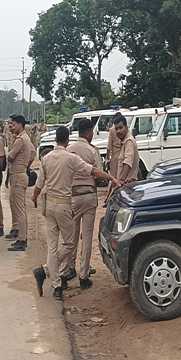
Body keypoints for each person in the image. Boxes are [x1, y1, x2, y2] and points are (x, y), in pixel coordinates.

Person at [31, 126, 115, 300]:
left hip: (49, 205)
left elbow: (39, 184)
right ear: (67, 140)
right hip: (64, 204)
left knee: (53, 245)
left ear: (55, 140)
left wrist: (34, 197)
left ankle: (56, 286)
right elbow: (93, 171)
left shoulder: (46, 158)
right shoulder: (70, 158)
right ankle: (47, 270)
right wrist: (111, 178)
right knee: (70, 243)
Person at [67, 119, 99, 289]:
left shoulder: (69, 149)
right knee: (87, 237)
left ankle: (69, 267)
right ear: (88, 133)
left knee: (71, 234)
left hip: (72, 196)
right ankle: (84, 275)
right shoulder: (92, 151)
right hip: (89, 195)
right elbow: (98, 175)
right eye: (92, 132)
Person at [5, 115, 33, 251]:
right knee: (19, 207)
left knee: (20, 209)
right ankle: (21, 236)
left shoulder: (21, 139)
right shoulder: (24, 138)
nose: (12, 127)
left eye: (13, 125)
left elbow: (10, 157)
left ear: (20, 125)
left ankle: (22, 238)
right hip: (19, 174)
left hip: (18, 176)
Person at [113, 115, 140, 188]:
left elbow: (128, 161)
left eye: (120, 128)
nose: (118, 131)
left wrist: (122, 180)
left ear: (127, 128)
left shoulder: (129, 141)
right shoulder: (123, 142)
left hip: (128, 185)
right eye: (116, 129)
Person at [106, 113, 123, 179]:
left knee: (113, 177)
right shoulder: (126, 129)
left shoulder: (112, 130)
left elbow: (109, 146)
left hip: (115, 156)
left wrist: (107, 158)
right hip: (124, 155)